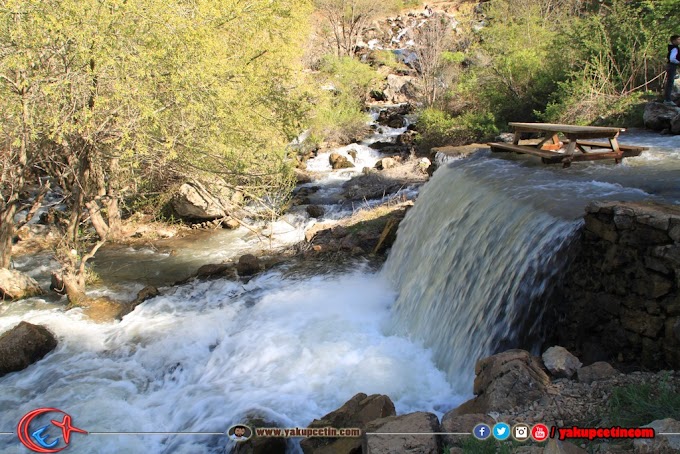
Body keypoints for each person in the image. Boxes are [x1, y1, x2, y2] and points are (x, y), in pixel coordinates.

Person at [664, 34, 680, 106]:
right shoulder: (674, 48)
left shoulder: (673, 48)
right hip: (672, 66)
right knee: (670, 83)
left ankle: (667, 99)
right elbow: (672, 59)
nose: (679, 41)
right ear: (674, 41)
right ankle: (667, 100)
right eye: (678, 39)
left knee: (670, 82)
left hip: (671, 66)